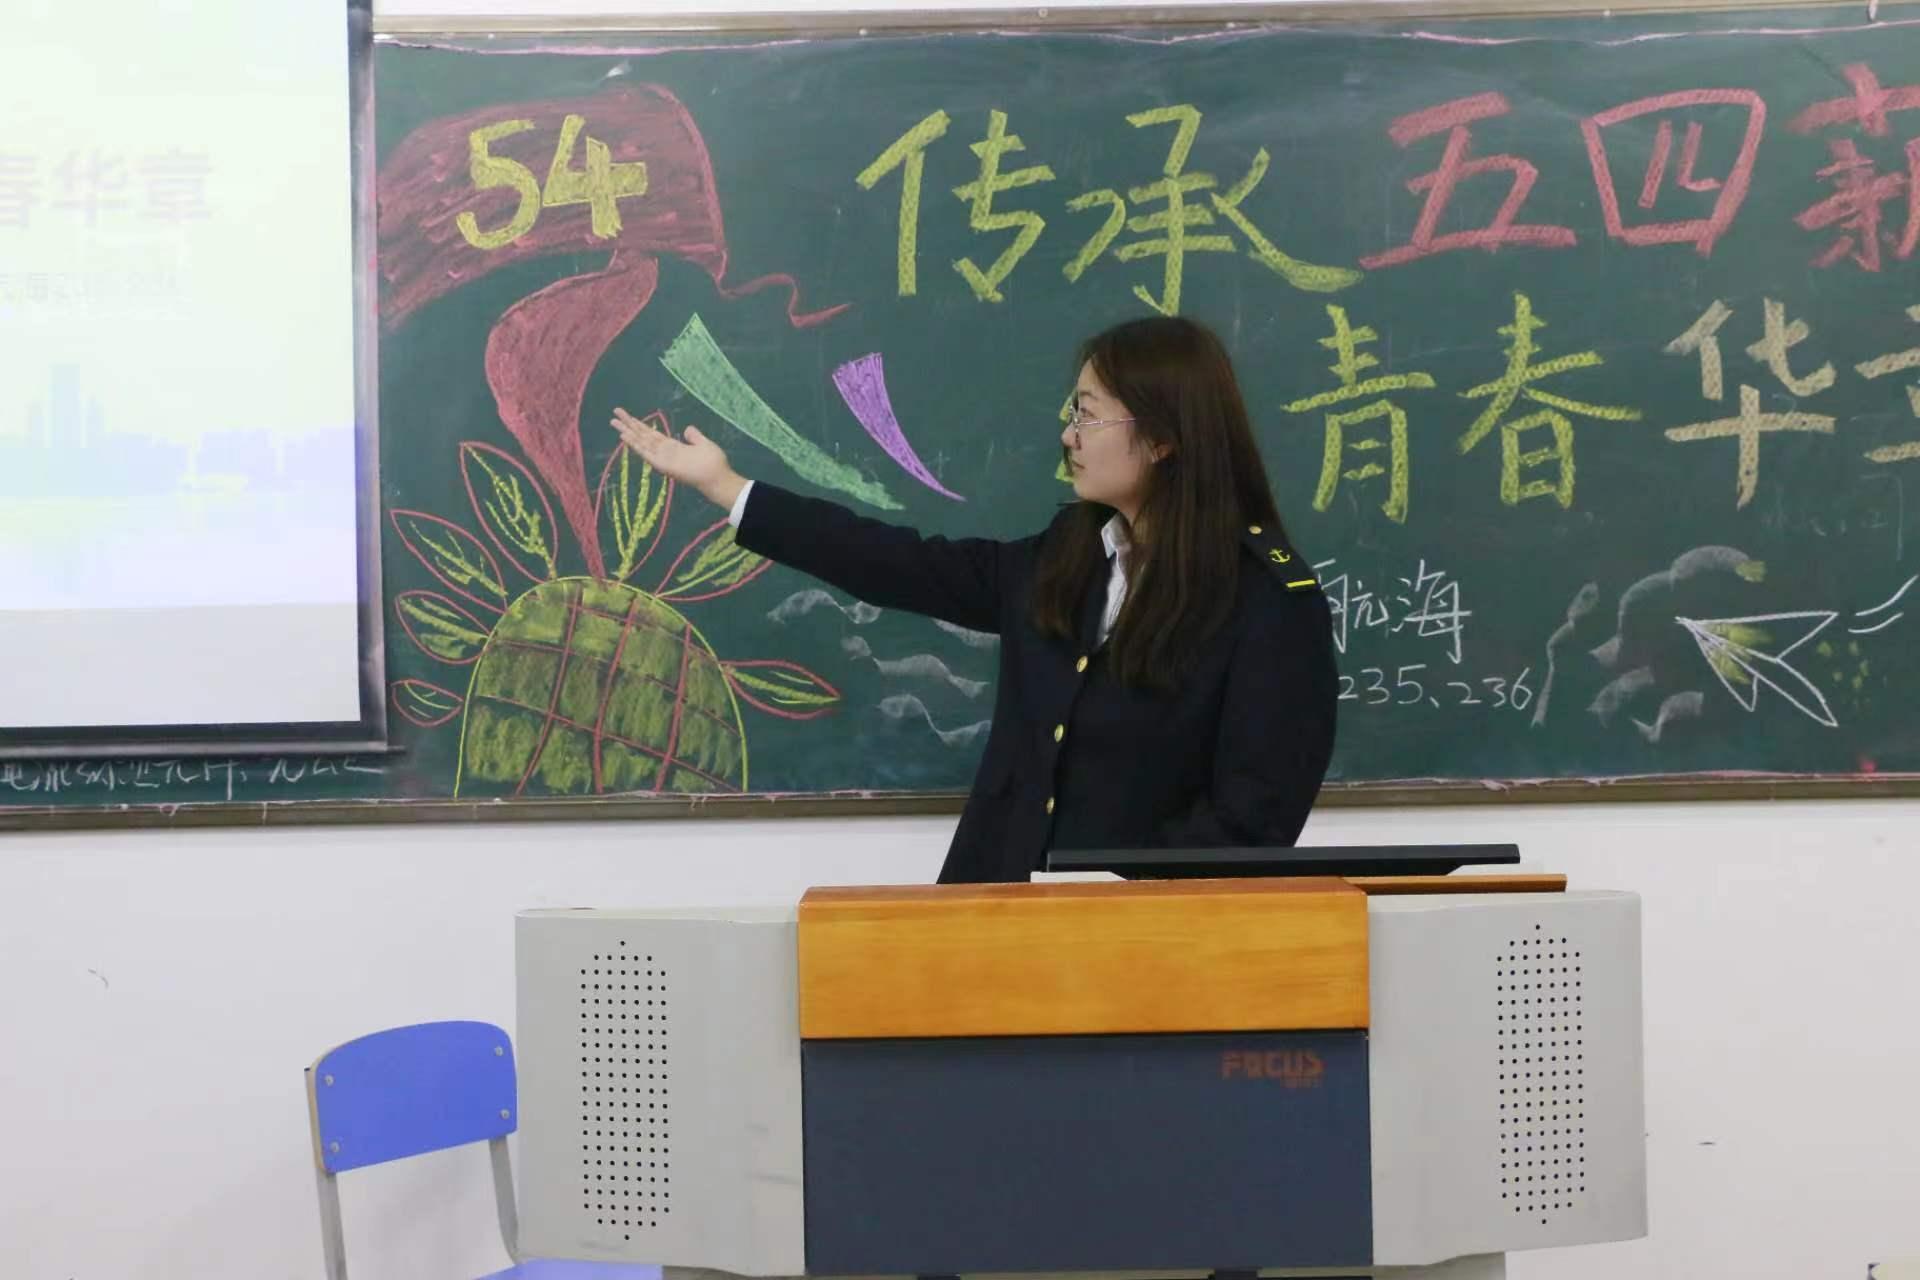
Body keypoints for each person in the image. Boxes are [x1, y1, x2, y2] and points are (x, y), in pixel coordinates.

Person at [612, 314, 1337, 885]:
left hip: (1143, 954)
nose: (1069, 435)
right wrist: (728, 488)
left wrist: (1114, 896)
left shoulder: (1266, 602)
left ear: (1164, 438)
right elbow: (904, 565)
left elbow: (1254, 819)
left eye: (1088, 416)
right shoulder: (1071, 553)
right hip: (988, 920)